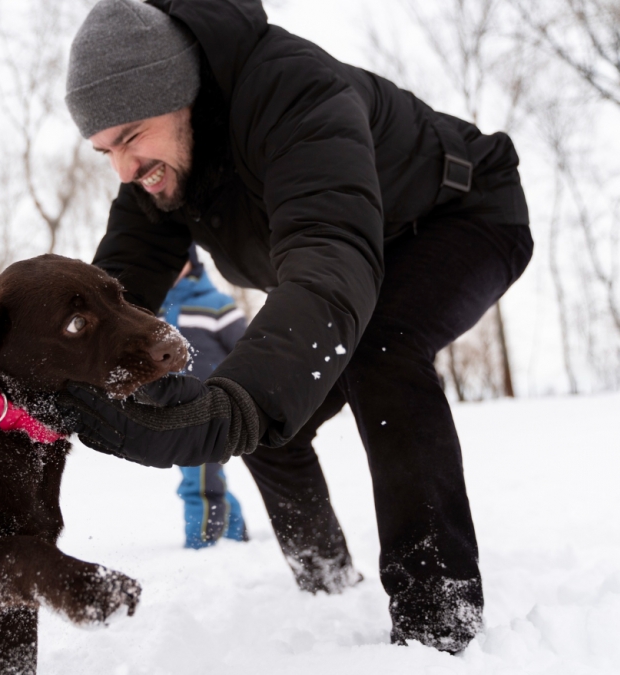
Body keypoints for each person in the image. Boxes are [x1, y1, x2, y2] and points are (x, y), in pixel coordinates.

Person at [57, 0, 533, 654]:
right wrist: (17, 365)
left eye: (132, 135)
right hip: (352, 262)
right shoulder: (159, 175)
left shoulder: (292, 91)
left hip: (462, 215)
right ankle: (326, 579)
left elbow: (329, 254)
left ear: (182, 93)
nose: (124, 167)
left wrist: (243, 399)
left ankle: (437, 618)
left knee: (370, 353)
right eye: (105, 149)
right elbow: (111, 295)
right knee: (271, 415)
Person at [160, 245, 248, 549]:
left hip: (211, 408)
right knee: (205, 474)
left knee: (198, 480)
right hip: (170, 410)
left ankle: (203, 545)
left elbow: (245, 352)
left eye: (177, 259)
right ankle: (236, 535)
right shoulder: (152, 310)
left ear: (192, 264)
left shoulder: (217, 305)